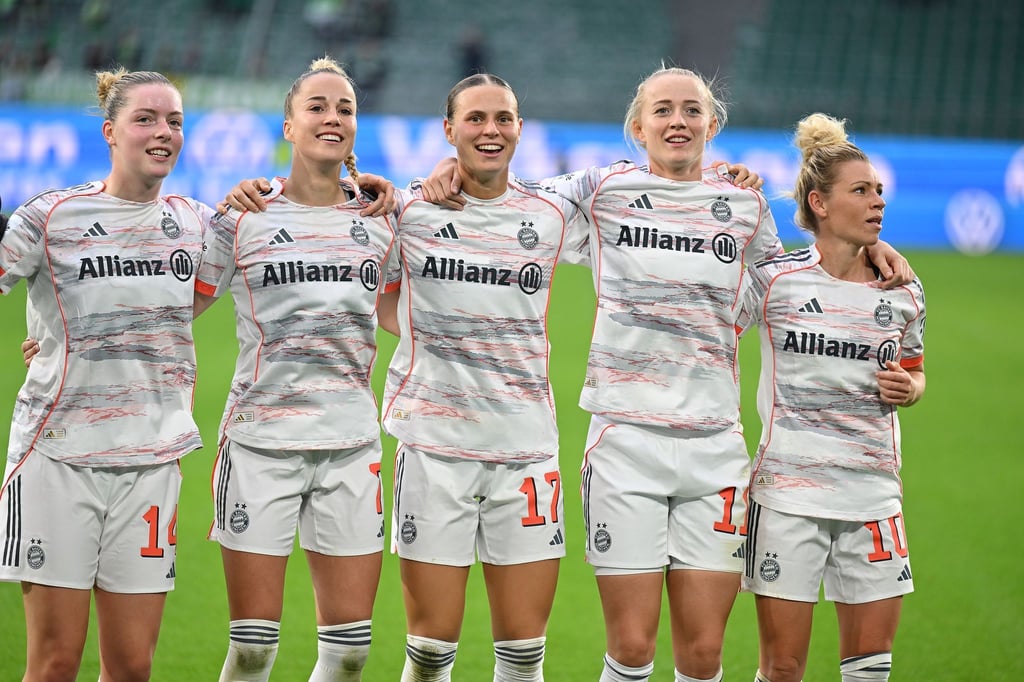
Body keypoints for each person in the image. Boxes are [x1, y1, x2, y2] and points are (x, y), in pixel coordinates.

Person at [419, 66, 912, 682]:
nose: (677, 121)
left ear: (711, 124)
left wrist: (866, 251)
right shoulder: (599, 191)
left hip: (715, 448)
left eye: (690, 110)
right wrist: (450, 173)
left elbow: (785, 281)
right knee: (630, 647)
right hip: (625, 442)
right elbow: (509, 194)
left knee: (704, 655)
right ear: (637, 126)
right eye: (663, 110)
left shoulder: (746, 205)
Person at [223, 72, 590, 682]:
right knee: (428, 660)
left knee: (525, 663)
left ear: (521, 128)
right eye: (474, 119)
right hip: (431, 447)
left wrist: (726, 176)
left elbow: (642, 196)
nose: (490, 130)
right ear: (449, 131)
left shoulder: (552, 213)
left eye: (503, 118)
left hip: (527, 450)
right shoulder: (406, 211)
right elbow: (375, 297)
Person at [0, 68, 210, 682]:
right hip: (57, 458)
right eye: (145, 119)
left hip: (151, 464)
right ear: (110, 131)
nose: (162, 131)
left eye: (173, 120)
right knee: (54, 663)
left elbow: (302, 224)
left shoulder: (200, 223)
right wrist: (55, 339)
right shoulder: (51, 216)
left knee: (131, 668)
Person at [196, 56, 399, 682]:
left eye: (344, 109)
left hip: (351, 443)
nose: (332, 118)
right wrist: (54, 334)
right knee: (253, 651)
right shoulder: (242, 218)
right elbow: (178, 307)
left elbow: (412, 312)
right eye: (317, 107)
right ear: (289, 125)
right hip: (260, 445)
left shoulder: (381, 218)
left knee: (349, 656)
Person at [736, 113, 925, 682]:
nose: (877, 203)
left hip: (873, 496)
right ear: (819, 203)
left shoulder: (905, 290)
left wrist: (910, 388)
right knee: (783, 669)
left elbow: (916, 372)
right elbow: (704, 319)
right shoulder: (776, 282)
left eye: (880, 192)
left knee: (870, 670)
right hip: (787, 496)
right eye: (861, 191)